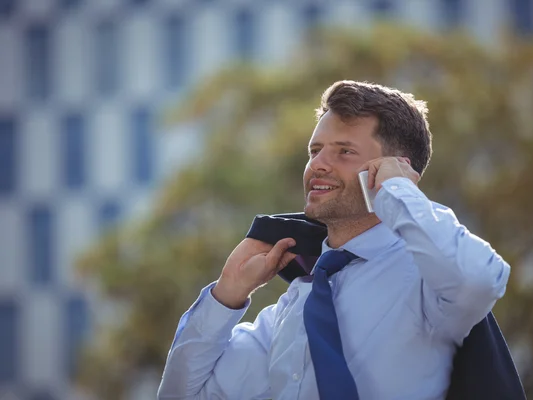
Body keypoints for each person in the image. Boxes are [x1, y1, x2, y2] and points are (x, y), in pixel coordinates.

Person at [157, 80, 512, 399]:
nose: (318, 166)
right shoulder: (295, 306)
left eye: (344, 151)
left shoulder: (429, 282)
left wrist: (397, 191)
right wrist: (225, 297)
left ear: (395, 169)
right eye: (315, 151)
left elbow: (480, 280)